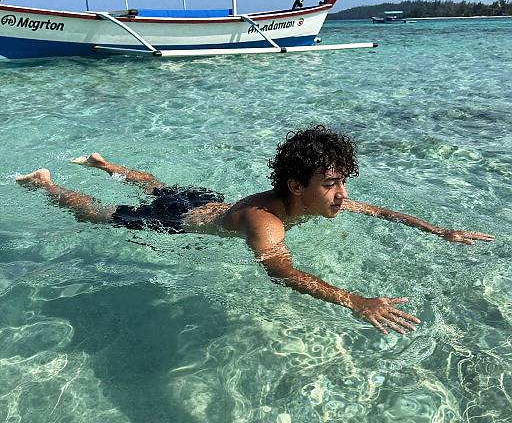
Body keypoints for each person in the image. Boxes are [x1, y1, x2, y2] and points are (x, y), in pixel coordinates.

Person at [16, 125, 494, 335]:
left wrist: (440, 231)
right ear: (295, 185)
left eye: (342, 182)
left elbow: (379, 211)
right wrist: (354, 301)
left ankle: (105, 163)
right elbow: (280, 270)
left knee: (157, 184)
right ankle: (48, 184)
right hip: (180, 222)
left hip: (207, 201)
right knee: (97, 215)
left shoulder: (315, 201)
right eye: (331, 184)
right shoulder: (264, 222)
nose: (342, 194)